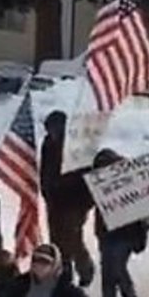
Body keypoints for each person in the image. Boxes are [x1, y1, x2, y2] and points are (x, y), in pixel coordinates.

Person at [41, 111, 97, 287]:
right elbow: (45, 170)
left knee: (73, 239)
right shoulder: (48, 144)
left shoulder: (77, 146)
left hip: (74, 202)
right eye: (50, 129)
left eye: (56, 129)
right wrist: (46, 191)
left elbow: (88, 176)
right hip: (54, 199)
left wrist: (85, 203)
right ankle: (64, 274)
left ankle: (85, 268)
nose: (53, 133)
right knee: (56, 240)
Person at [93, 150, 148, 297]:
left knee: (117, 269)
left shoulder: (130, 178)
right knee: (107, 273)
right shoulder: (101, 181)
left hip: (126, 234)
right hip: (108, 233)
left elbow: (144, 207)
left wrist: (141, 234)